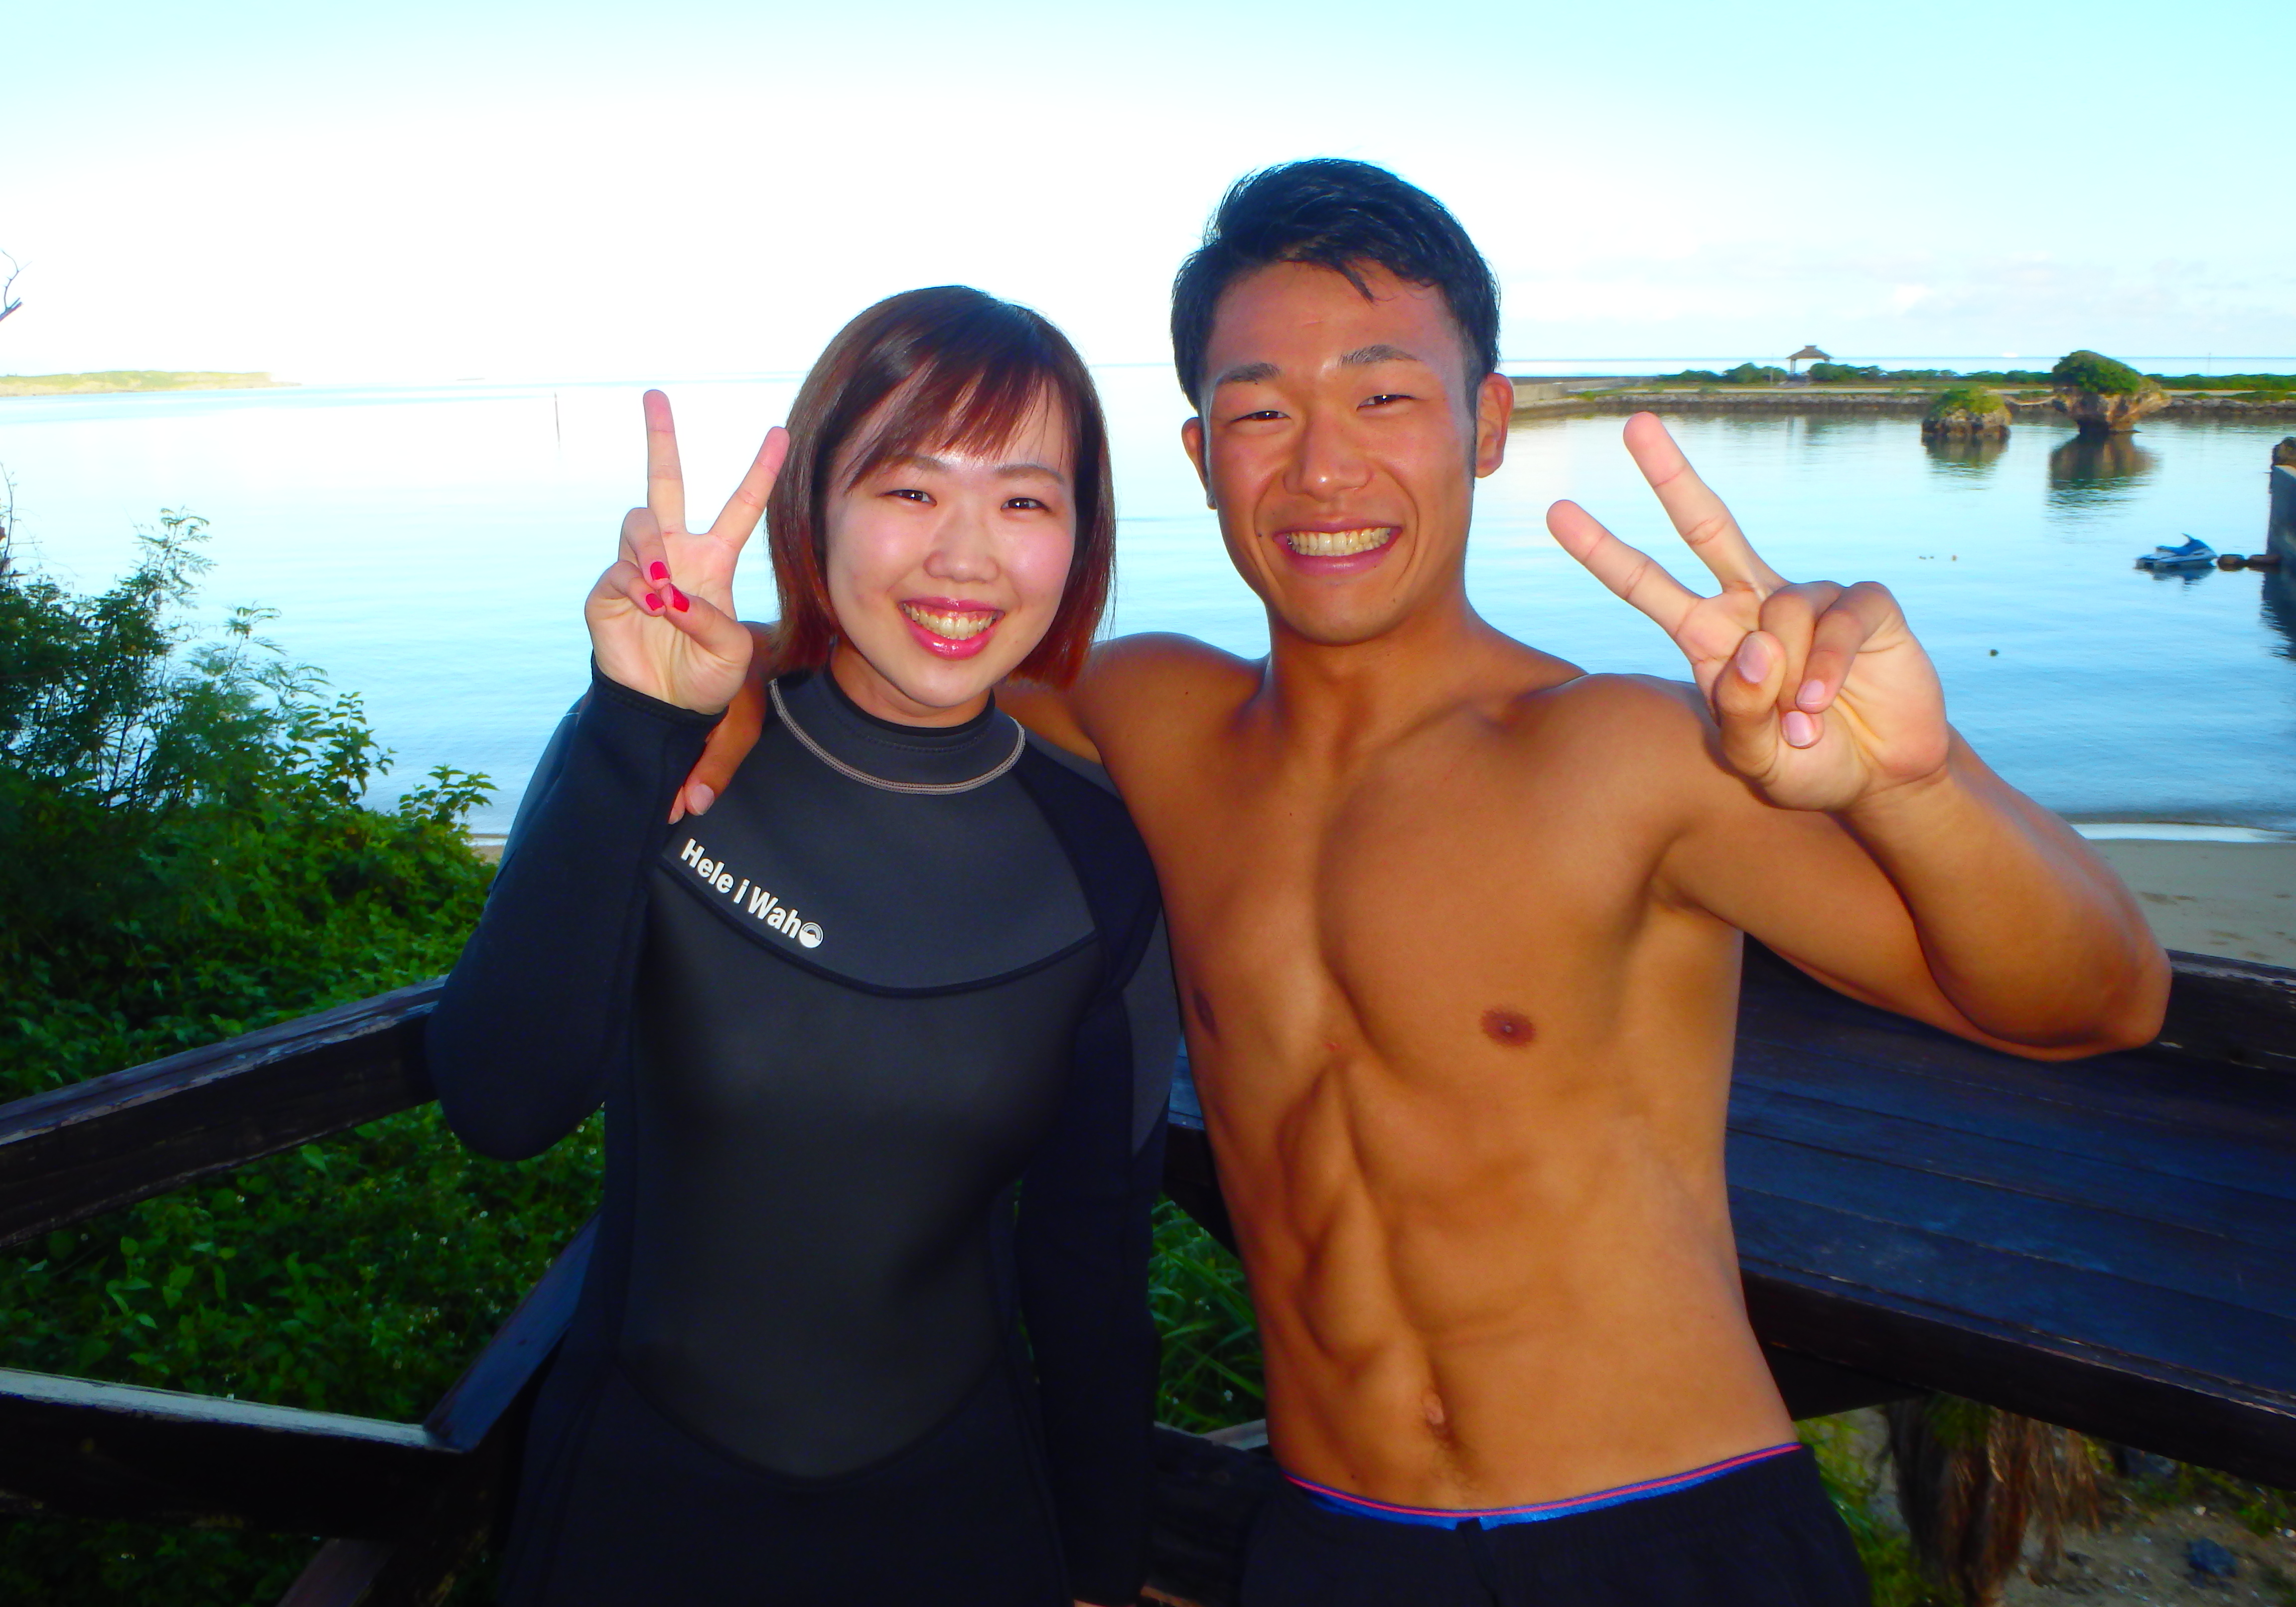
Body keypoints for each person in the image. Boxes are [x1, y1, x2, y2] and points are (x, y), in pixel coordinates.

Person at [683, 163, 2170, 1606]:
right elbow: (905, 663)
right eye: (1262, 413)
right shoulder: (1151, 720)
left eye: (1386, 398)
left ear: (1489, 425)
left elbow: (2096, 1004)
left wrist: (1917, 788)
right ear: (1201, 456)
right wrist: (739, 671)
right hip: (1337, 1540)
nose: (1323, 469)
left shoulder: (1622, 755)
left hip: (1665, 1527)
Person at [426, 286, 1179, 1607]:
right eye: (909, 489)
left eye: (1024, 500)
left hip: (960, 1521)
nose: (966, 557)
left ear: (1080, 537)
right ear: (813, 509)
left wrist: (1103, 1573)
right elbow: (502, 1102)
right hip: (634, 1513)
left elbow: (1093, 1260)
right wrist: (629, 728)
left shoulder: (1099, 855)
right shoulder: (676, 757)